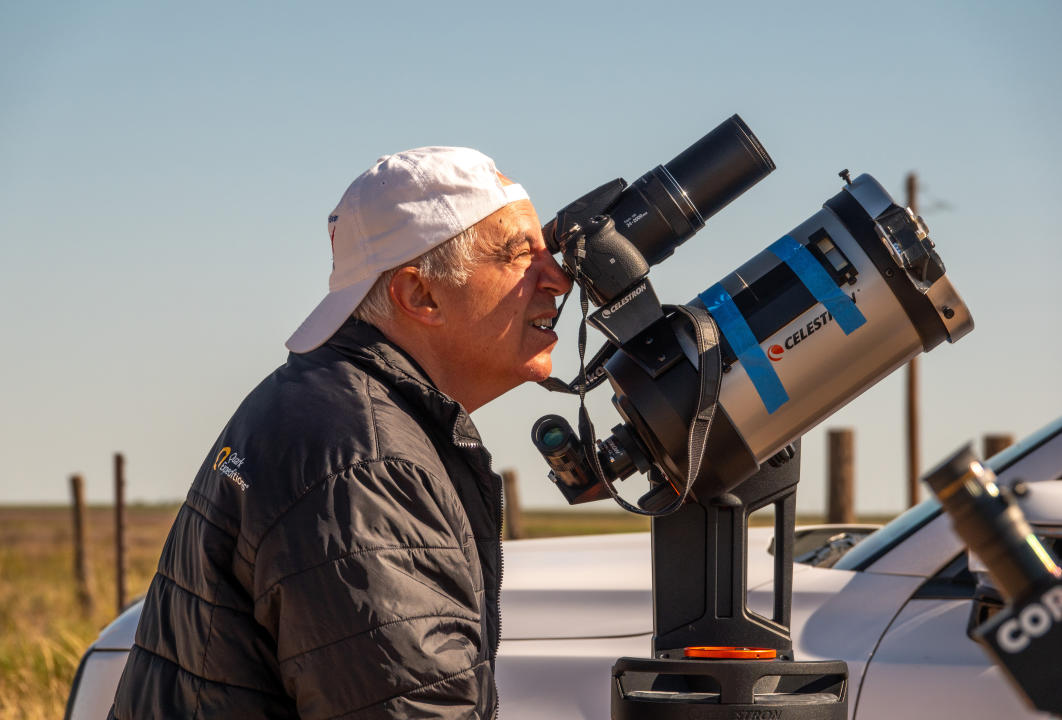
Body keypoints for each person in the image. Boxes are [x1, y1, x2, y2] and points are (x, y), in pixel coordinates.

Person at [108, 147, 572, 719]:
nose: (558, 278)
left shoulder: (328, 409)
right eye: (520, 253)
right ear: (419, 293)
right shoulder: (367, 464)